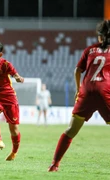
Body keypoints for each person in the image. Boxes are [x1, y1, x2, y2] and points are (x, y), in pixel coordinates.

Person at [48, 20, 110, 172]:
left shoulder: (90, 50)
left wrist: (78, 89)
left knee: (71, 130)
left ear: (100, 37)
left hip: (87, 91)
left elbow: (77, 70)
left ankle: (54, 164)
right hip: (104, 91)